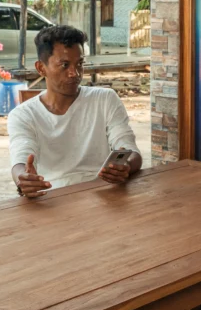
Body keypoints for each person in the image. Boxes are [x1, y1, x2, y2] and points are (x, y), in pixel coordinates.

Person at [9, 25, 142, 197]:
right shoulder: (23, 115)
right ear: (41, 68)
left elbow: (131, 152)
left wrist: (125, 167)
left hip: (104, 193)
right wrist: (23, 179)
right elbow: (20, 159)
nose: (75, 73)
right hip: (53, 197)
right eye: (64, 65)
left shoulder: (105, 99)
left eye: (80, 64)